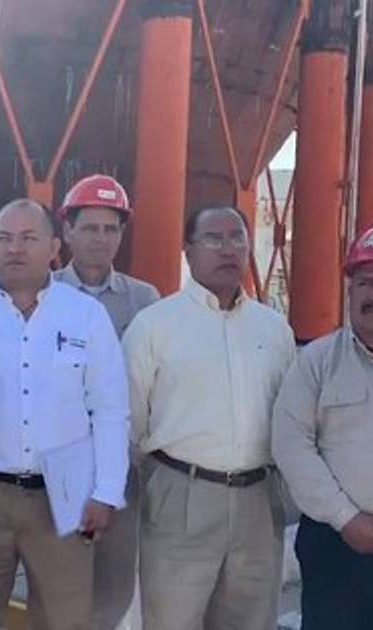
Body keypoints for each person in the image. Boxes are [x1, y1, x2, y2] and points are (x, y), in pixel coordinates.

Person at [0, 199, 129, 630]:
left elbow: (110, 409)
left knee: (64, 620)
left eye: (28, 238)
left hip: (64, 499)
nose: (14, 248)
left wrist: (106, 492)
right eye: (4, 238)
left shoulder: (86, 316)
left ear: (54, 247)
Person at [122, 206, 295, 630]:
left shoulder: (274, 330)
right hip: (181, 494)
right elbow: (130, 421)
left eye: (237, 238)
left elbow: (290, 418)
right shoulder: (154, 326)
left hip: (258, 499)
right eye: (214, 239)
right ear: (188, 249)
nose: (228, 249)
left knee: (251, 620)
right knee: (170, 620)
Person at [272, 218, 373, 629]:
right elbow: (291, 444)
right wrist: (347, 519)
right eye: (364, 283)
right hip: (336, 547)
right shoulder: (317, 362)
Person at [52, 174, 159, 630]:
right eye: (90, 228)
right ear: (67, 231)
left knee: (114, 593)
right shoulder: (42, 296)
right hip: (58, 469)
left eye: (110, 229)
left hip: (122, 472)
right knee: (58, 591)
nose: (101, 238)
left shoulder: (144, 301)